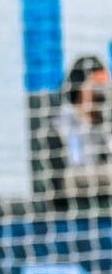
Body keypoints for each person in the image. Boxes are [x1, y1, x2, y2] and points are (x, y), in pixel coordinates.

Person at [45, 54, 112, 210]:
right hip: (76, 210)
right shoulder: (60, 128)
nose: (102, 92)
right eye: (97, 85)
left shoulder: (106, 126)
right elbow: (64, 181)